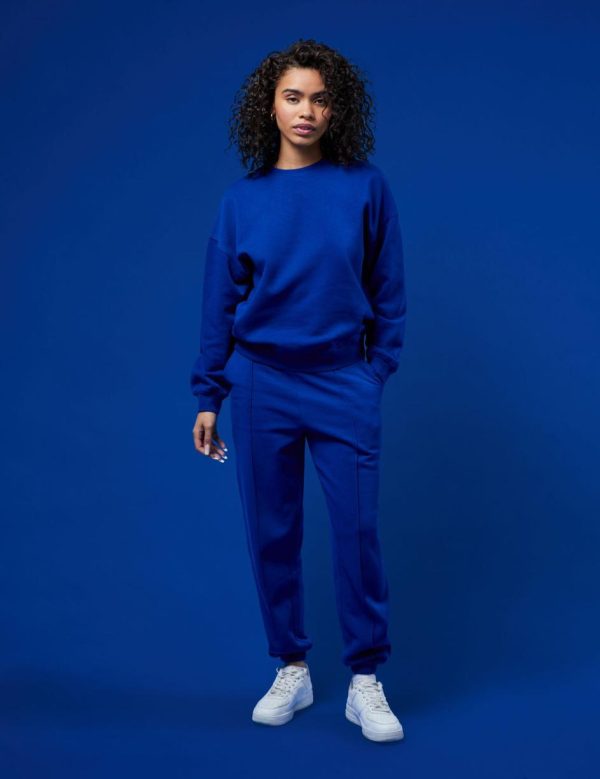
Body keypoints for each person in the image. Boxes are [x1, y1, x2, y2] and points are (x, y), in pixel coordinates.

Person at [190, 39, 407, 743]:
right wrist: (209, 394)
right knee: (272, 533)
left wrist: (374, 371)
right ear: (269, 106)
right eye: (292, 97)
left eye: (319, 98)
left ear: (336, 109)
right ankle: (291, 666)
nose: (306, 110)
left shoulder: (365, 187)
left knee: (357, 533)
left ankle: (365, 680)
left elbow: (388, 290)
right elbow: (219, 303)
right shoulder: (241, 201)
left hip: (344, 380)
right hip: (261, 384)